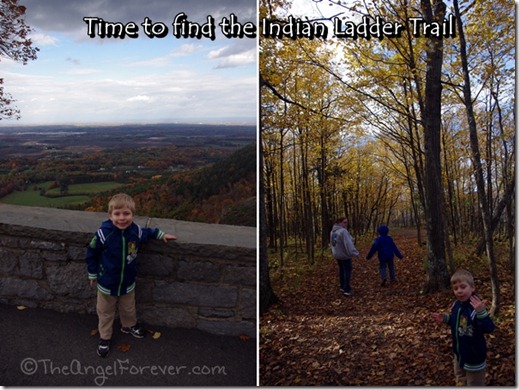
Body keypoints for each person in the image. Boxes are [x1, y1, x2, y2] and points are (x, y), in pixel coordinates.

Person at [86, 193, 177, 358]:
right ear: (110, 215)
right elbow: (91, 252)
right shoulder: (103, 233)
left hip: (127, 282)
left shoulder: (135, 232)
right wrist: (92, 274)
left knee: (128, 308)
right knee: (105, 312)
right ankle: (105, 338)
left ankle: (128, 326)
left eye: (126, 214)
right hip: (107, 282)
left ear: (133, 215)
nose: (122, 218)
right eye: (117, 214)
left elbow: (148, 232)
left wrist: (162, 235)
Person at [431, 269, 495, 386]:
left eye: (463, 287)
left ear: (472, 288)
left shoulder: (476, 308)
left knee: (474, 383)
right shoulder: (457, 305)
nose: (459, 291)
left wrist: (481, 312)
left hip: (474, 356)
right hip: (459, 354)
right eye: (456, 288)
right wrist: (445, 318)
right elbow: (459, 322)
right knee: (460, 379)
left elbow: (489, 328)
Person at [330, 217, 359, 296]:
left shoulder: (333, 231)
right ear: (339, 222)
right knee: (347, 271)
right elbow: (348, 244)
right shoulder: (343, 231)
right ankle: (347, 289)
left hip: (338, 254)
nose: (346, 224)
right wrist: (355, 253)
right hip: (344, 255)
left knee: (342, 270)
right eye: (344, 222)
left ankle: (342, 286)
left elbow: (334, 243)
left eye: (346, 222)